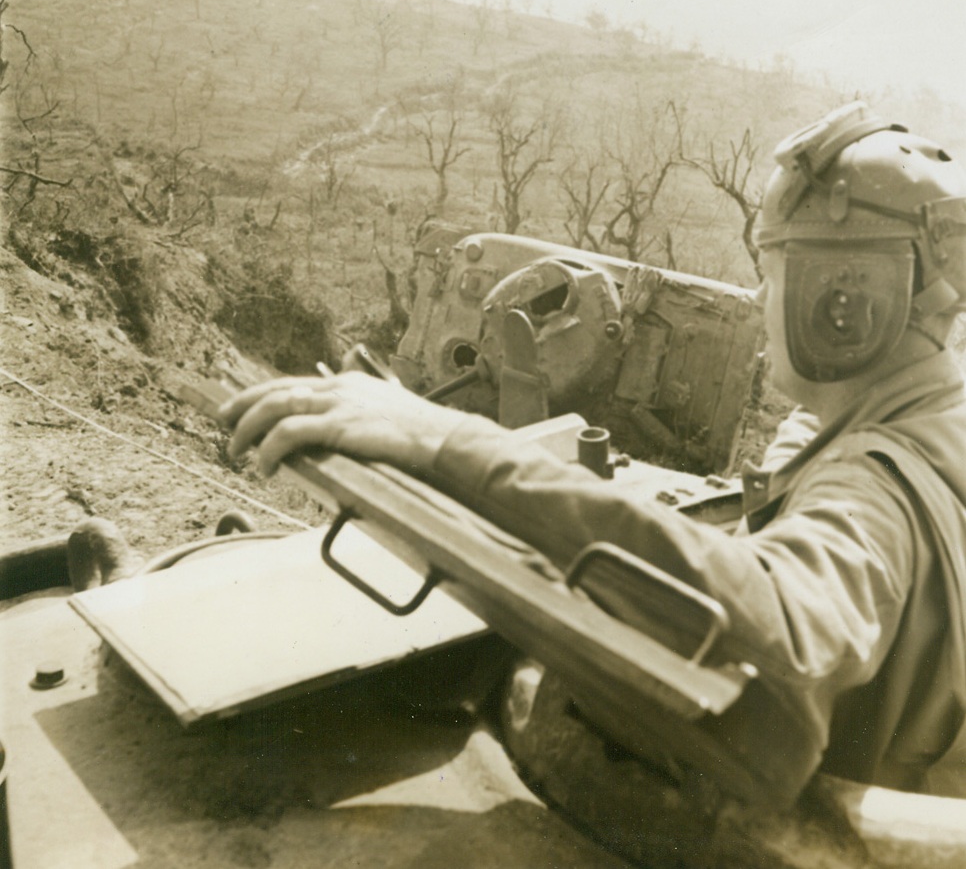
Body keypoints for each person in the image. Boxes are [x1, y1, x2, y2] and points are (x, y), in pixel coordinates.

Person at [219, 102, 966, 798]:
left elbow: (789, 633)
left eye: (772, 277)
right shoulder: (922, 418)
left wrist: (447, 441)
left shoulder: (873, 487)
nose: (760, 304)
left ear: (845, 306)